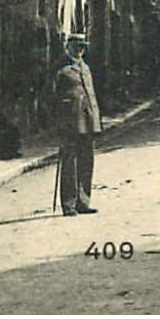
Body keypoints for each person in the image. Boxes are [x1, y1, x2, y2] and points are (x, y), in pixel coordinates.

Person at [55, 33, 102, 215]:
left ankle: (84, 201)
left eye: (82, 47)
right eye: (77, 47)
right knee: (70, 163)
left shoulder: (86, 68)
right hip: (71, 123)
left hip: (88, 122)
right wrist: (59, 121)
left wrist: (96, 120)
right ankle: (69, 204)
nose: (80, 50)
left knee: (87, 161)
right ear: (69, 47)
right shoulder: (61, 69)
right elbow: (51, 96)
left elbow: (91, 95)